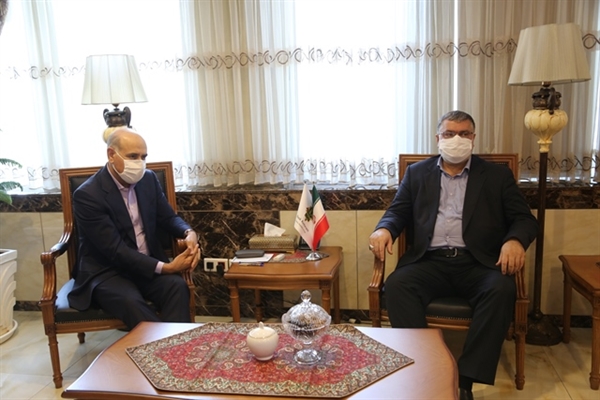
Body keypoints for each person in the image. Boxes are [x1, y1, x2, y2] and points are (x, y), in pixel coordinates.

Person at [369, 110, 538, 400]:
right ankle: (425, 370)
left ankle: (465, 381)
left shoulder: (496, 176)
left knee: (501, 289)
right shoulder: (418, 173)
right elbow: (397, 211)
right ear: (438, 138)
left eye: (464, 133)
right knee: (398, 285)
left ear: (473, 138)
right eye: (449, 134)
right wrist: (383, 229)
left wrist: (514, 241)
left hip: (478, 263)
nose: (456, 139)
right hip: (429, 262)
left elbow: (524, 219)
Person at [67, 127, 200, 330]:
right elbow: (115, 250)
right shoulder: (88, 195)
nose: (139, 163)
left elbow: (168, 217)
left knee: (177, 287)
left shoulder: (148, 180)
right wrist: (166, 268)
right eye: (132, 156)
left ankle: (174, 345)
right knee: (130, 302)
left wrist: (188, 232)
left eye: (143, 157)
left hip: (146, 266)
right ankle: (166, 346)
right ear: (111, 155)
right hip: (108, 271)